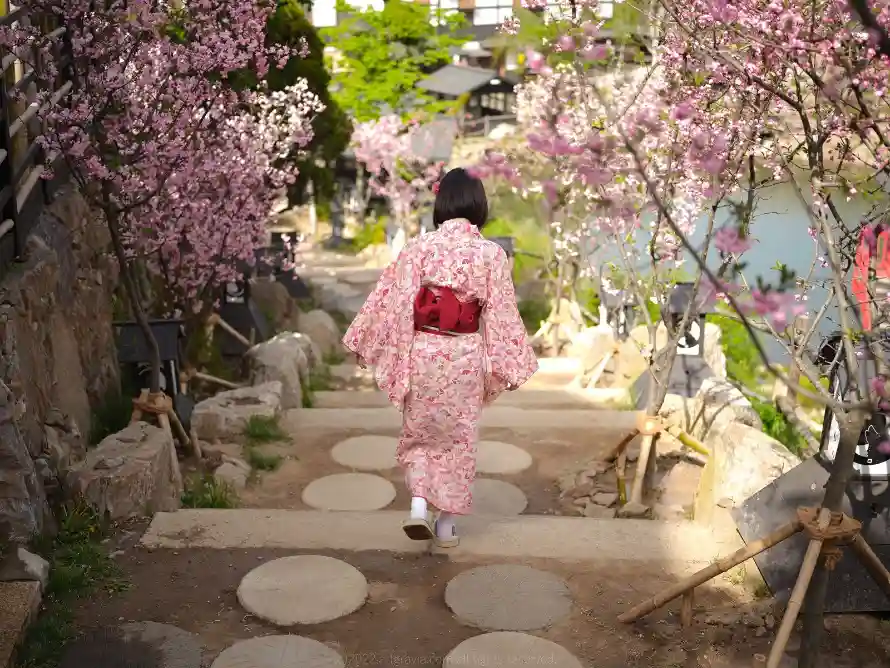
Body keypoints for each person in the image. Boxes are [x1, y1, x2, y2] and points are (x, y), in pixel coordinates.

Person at [342, 167, 538, 548]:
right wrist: (509, 362)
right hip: (463, 355)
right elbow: (501, 314)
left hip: (423, 352)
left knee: (421, 431)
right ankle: (447, 526)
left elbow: (395, 300)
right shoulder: (492, 255)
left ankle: (418, 507)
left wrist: (369, 341)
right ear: (479, 203)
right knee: (457, 437)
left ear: (441, 201)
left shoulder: (419, 247)